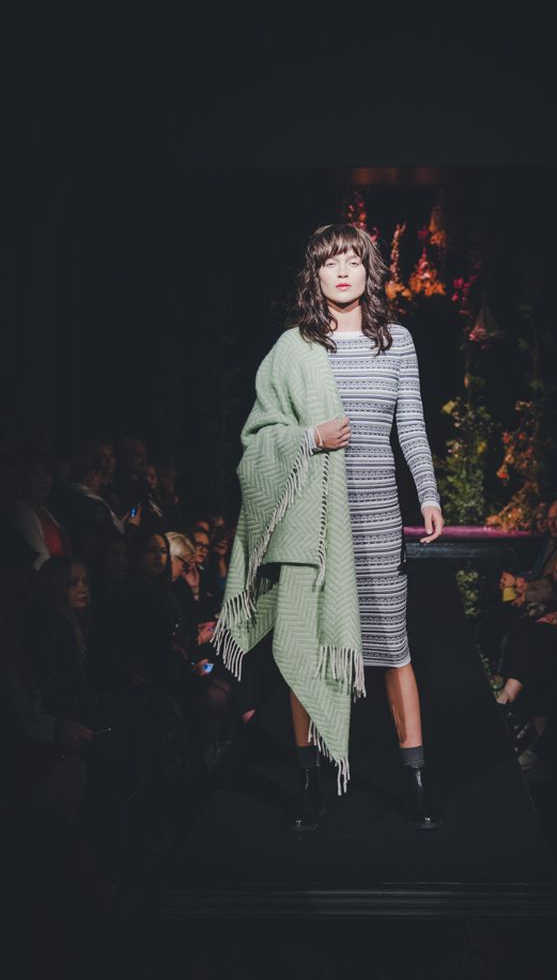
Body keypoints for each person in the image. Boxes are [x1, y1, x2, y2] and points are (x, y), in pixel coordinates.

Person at [213, 223, 444, 831]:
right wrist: (310, 437)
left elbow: (411, 425)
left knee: (392, 650)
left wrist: (427, 494)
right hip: (314, 524)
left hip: (377, 515)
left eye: (352, 261)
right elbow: (260, 433)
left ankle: (417, 784)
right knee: (308, 645)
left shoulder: (397, 342)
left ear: (370, 270)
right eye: (329, 262)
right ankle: (309, 783)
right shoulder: (296, 347)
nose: (342, 272)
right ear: (314, 274)